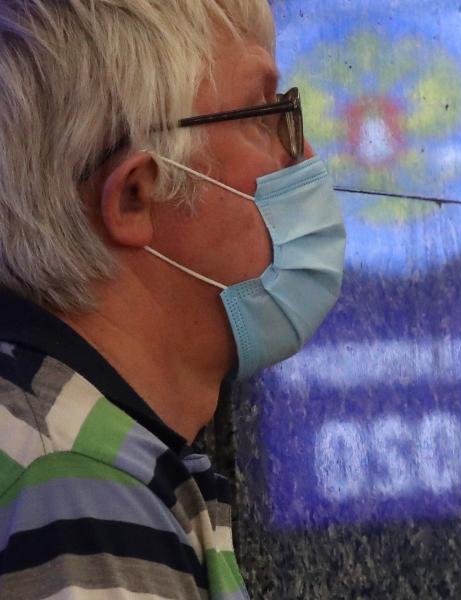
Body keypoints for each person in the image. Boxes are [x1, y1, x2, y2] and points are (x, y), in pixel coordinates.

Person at [0, 1, 345, 598]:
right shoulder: (76, 497)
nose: (305, 159)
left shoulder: (93, 452)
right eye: (266, 117)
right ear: (136, 194)